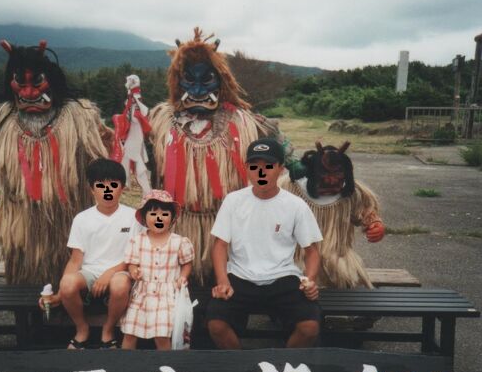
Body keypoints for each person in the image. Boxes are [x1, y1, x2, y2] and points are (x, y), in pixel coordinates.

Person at [0, 39, 113, 287]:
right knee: (27, 280)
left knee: (70, 278)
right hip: (22, 219)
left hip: (67, 217)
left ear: (52, 81)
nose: (29, 93)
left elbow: (105, 145)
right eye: (20, 84)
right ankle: (30, 321)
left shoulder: (79, 114)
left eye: (37, 83)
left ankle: (73, 315)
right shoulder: (2, 114)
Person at [148, 27, 303, 286]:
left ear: (221, 81)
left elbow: (274, 137)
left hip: (227, 226)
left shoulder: (242, 120)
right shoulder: (161, 120)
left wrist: (295, 161)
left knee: (225, 286)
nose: (197, 90)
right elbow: (135, 148)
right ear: (178, 81)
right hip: (179, 225)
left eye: (206, 80)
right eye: (189, 80)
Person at [206, 138, 323, 349]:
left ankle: (283, 369)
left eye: (268, 166)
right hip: (241, 275)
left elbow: (312, 251)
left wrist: (310, 280)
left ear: (280, 168)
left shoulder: (295, 205)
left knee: (309, 327)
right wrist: (222, 281)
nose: (261, 172)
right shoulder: (233, 201)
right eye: (254, 167)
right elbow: (220, 245)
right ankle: (241, 366)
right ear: (247, 169)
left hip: (282, 276)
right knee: (216, 324)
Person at [39, 159, 139, 349]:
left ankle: (108, 331)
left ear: (122, 188)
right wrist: (58, 295)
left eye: (113, 185)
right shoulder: (82, 219)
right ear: (92, 189)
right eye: (100, 186)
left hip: (121, 272)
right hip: (90, 273)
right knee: (67, 283)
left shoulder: (133, 218)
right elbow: (76, 260)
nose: (107, 191)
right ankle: (82, 329)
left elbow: (136, 257)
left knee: (119, 283)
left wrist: (109, 273)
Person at [279, 141, 385, 289]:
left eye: (338, 175)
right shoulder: (289, 187)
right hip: (297, 257)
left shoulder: (352, 193)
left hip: (336, 258)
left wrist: (375, 226)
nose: (332, 180)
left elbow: (366, 212)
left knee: (342, 270)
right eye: (324, 175)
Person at [120, 190, 194, 350]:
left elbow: (187, 263)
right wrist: (134, 271)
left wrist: (183, 277)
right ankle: (124, 366)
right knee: (130, 332)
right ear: (145, 218)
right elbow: (131, 263)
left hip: (166, 295)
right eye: (153, 214)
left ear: (172, 218)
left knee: (162, 335)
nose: (158, 218)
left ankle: (166, 366)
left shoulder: (179, 242)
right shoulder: (137, 241)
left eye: (164, 214)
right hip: (142, 294)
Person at [112, 74, 153, 196]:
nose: (127, 82)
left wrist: (134, 106)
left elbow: (143, 110)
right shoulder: (131, 96)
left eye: (129, 81)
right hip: (133, 129)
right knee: (126, 156)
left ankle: (146, 190)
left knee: (134, 157)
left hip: (136, 130)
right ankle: (125, 183)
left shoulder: (135, 96)